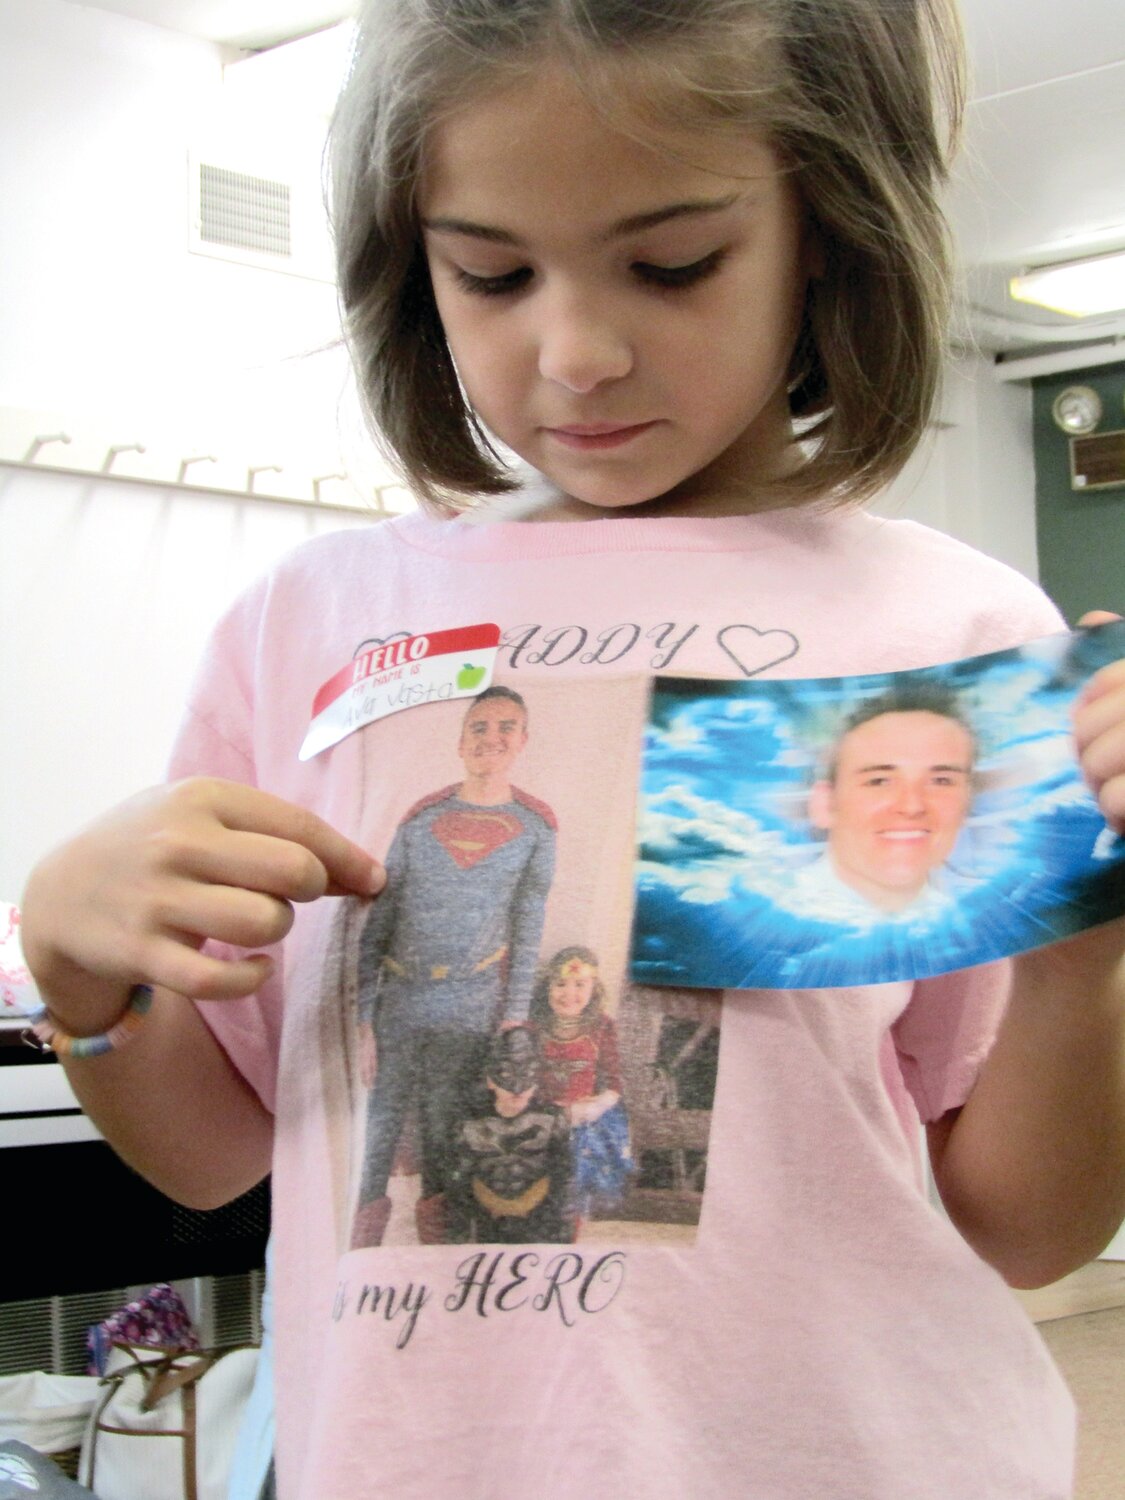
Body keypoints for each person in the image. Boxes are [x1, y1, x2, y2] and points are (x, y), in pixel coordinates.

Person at [16, 2, 1125, 1496]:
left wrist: (1080, 964)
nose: (579, 352)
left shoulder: (945, 628)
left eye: (673, 263)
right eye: (489, 271)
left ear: (826, 228)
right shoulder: (312, 625)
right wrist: (85, 979)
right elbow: (217, 1151)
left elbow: (1026, 1225)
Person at [351, 685, 556, 1248]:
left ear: (523, 741)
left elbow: (528, 924)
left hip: (469, 1005)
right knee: (380, 1124)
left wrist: (513, 1017)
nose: (491, 738)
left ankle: (437, 1247)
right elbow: (378, 921)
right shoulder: (420, 820)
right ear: (461, 739)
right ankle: (363, 1238)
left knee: (444, 1126)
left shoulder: (536, 829)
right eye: (479, 727)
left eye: (505, 728)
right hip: (400, 1002)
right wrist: (365, 1017)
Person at [803, 682, 976, 917]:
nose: (912, 806)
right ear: (824, 805)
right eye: (879, 781)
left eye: (941, 781)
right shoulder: (760, 928)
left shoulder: (976, 926)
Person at [529, 946, 632, 1223]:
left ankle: (572, 1221)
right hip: (541, 1112)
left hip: (584, 1115)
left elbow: (614, 1082)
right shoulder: (534, 1027)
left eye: (580, 985)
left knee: (578, 1156)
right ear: (547, 986)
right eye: (560, 984)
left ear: (593, 989)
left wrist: (594, 1107)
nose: (569, 994)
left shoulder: (601, 1027)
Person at [445, 1024, 573, 1244]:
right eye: (505, 1073)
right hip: (487, 1216)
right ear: (490, 1080)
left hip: (539, 1218)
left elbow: (564, 1179)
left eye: (527, 1073)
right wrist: (459, 1234)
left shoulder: (553, 1121)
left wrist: (561, 1231)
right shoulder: (468, 1126)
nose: (517, 1088)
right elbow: (459, 1186)